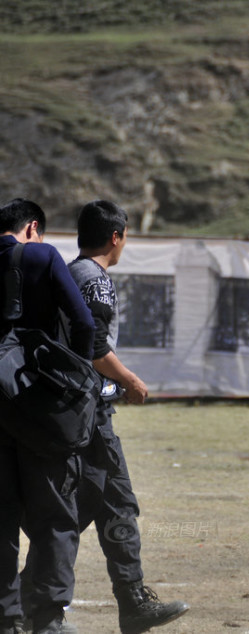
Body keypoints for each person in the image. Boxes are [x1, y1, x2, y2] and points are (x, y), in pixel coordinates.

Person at [21, 200, 189, 634]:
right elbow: (91, 345)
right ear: (117, 237)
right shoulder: (95, 280)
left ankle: (130, 599)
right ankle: (28, 596)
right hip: (87, 412)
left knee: (112, 503)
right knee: (81, 509)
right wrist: (130, 381)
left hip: (76, 408)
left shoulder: (70, 273)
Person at [0, 198, 96, 634]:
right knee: (55, 515)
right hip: (41, 407)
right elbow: (84, 323)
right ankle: (49, 617)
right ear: (33, 227)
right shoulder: (41, 255)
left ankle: (7, 616)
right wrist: (76, 378)